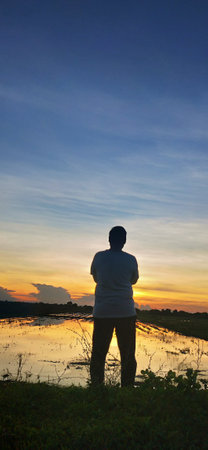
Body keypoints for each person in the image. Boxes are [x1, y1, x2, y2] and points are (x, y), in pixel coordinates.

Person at [90, 226, 139, 387]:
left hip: (102, 312)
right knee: (128, 355)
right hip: (126, 312)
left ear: (109, 239)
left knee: (98, 354)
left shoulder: (98, 257)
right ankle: (127, 390)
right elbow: (133, 280)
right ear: (124, 241)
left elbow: (96, 278)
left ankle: (97, 389)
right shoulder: (131, 259)